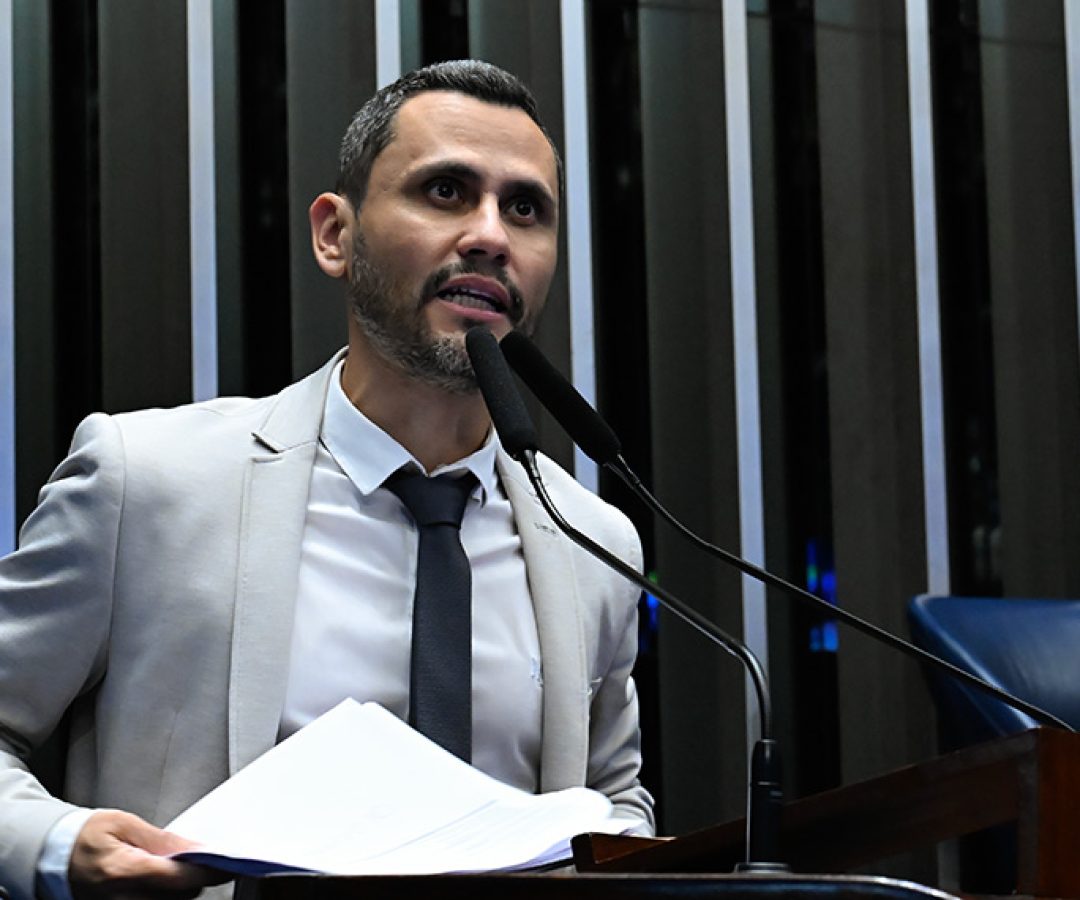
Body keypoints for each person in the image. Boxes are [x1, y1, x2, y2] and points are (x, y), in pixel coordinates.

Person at [0, 60, 653, 900]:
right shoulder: (147, 482)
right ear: (335, 235)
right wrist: (62, 845)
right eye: (447, 191)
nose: (491, 234)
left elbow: (610, 799)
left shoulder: (593, 542)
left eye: (525, 208)